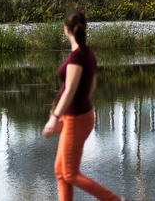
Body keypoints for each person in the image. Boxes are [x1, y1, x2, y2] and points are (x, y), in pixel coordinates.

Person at [42, 11, 126, 201]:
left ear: (66, 30)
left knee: (70, 173)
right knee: (60, 171)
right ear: (84, 28)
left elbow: (70, 90)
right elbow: (92, 85)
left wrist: (54, 118)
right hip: (79, 115)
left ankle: (114, 200)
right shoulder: (88, 54)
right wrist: (78, 104)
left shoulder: (77, 57)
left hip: (76, 118)